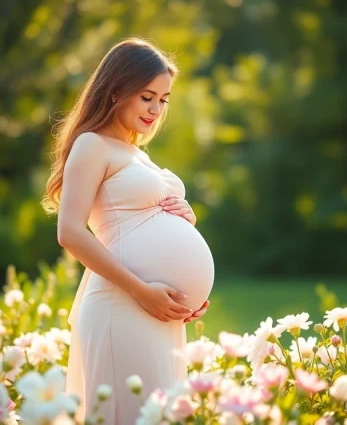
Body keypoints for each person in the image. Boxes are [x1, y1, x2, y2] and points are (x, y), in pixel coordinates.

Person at [41, 37, 214, 423]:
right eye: (146, 97)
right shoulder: (92, 145)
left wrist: (188, 286)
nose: (156, 109)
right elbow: (69, 231)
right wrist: (141, 289)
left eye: (163, 100)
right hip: (124, 302)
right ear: (117, 90)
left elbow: (139, 221)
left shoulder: (139, 154)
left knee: (159, 415)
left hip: (158, 310)